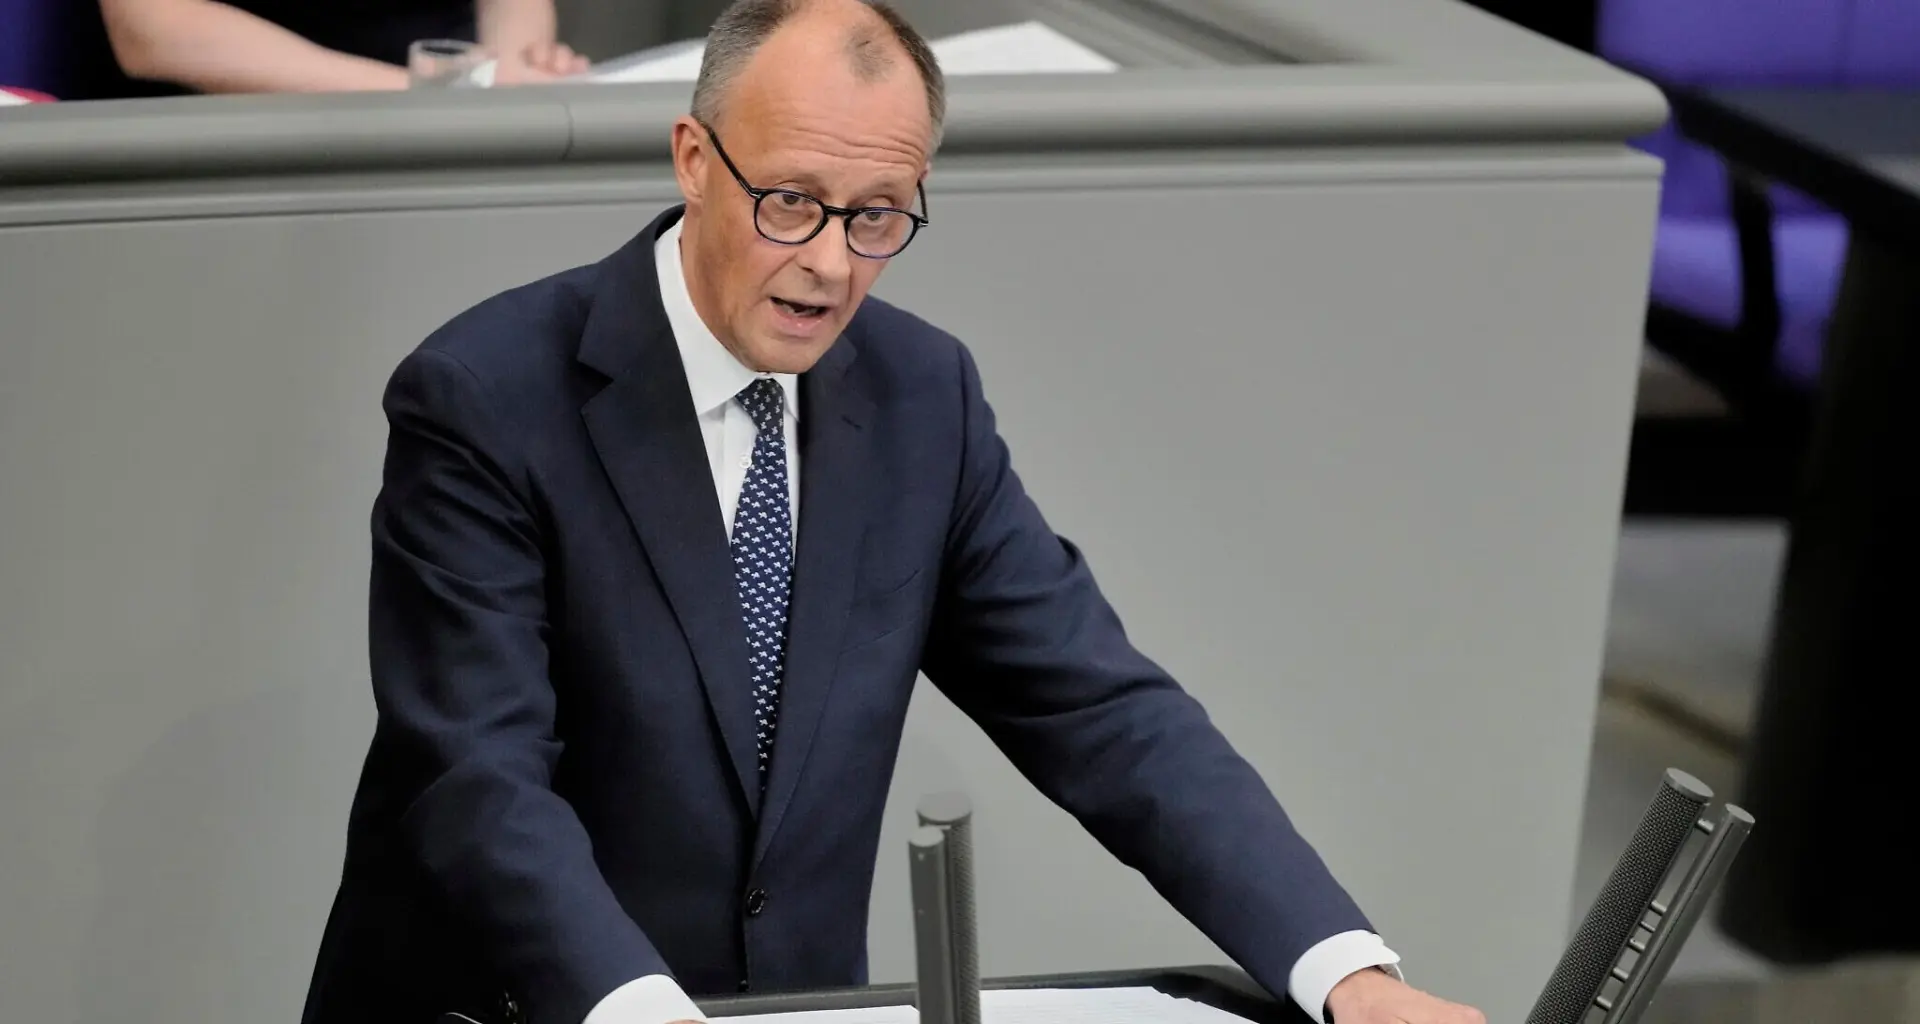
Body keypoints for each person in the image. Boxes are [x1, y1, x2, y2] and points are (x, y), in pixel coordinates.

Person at [301, 1, 1489, 1022]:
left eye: (877, 215)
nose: (830, 263)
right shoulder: (486, 395)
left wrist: (1344, 969)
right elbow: (479, 779)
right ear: (694, 160)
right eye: (791, 202)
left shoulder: (924, 397)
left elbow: (1099, 707)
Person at [95, 0, 587, 94]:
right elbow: (154, 29)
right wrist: (450, 91)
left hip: (452, 137)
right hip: (223, 145)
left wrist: (517, 72)